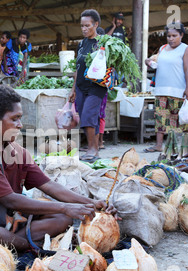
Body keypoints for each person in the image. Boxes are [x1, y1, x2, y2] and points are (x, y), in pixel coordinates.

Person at [0, 85, 116, 254]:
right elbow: (9, 200)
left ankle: (9, 242)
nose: (20, 124)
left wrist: (90, 203)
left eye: (20, 118)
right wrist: (65, 207)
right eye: (14, 118)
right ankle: (25, 244)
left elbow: (49, 186)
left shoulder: (17, 151)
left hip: (4, 221)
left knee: (63, 218)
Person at [143, 23, 188, 153]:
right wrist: (148, 62)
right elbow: (156, 64)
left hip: (178, 90)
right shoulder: (162, 48)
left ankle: (185, 145)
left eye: (174, 36)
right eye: (169, 36)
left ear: (181, 35)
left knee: (179, 118)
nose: (171, 38)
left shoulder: (185, 49)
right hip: (161, 90)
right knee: (160, 117)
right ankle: (158, 145)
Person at [68, 9, 107, 162]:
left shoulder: (103, 43)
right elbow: (78, 68)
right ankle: (95, 151)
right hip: (81, 86)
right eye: (82, 26)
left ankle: (92, 149)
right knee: (88, 117)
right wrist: (73, 89)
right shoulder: (82, 44)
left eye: (87, 25)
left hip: (96, 86)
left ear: (96, 24)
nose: (84, 29)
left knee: (89, 116)